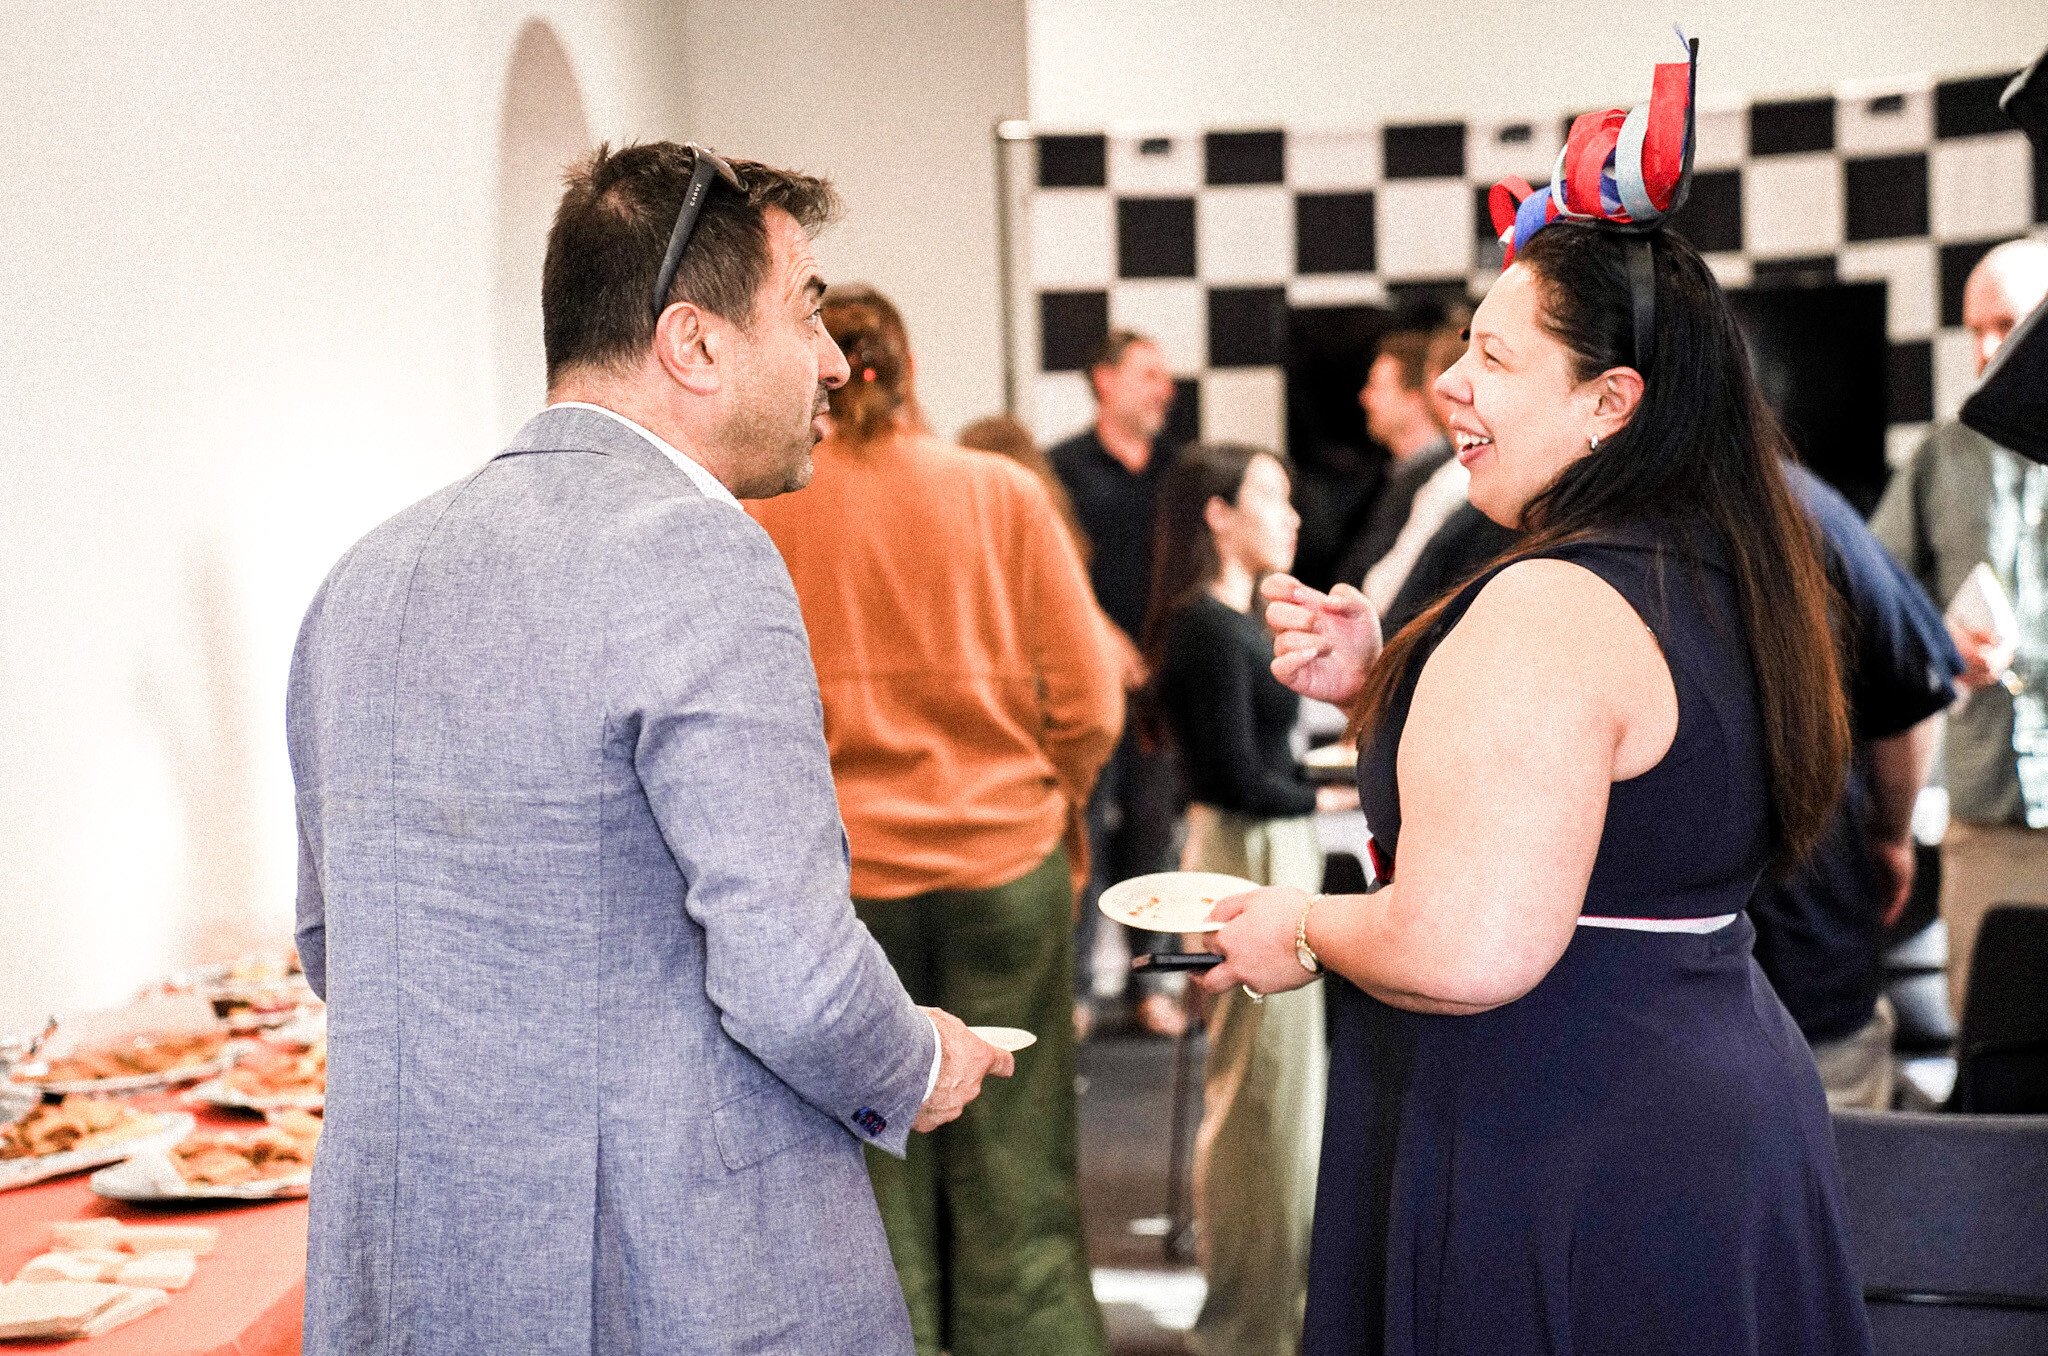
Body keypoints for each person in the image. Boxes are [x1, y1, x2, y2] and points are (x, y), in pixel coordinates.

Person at [1199, 46, 1875, 1352]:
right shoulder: (1726, 566)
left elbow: (1467, 948)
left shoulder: (1554, 602)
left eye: (1495, 359)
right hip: (1705, 1102)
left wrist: (1300, 925)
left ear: (1611, 403)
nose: (1451, 385)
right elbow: (1612, 795)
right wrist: (1382, 680)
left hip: (1572, 1128)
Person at [286, 143, 1011, 1356]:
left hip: (411, 1271)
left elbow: (334, 945)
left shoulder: (368, 572)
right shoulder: (695, 552)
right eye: (809, 310)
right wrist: (919, 1057)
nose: (835, 362)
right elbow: (795, 977)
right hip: (661, 1274)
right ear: (694, 343)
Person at [749, 285, 1122, 1356]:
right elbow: (1090, 701)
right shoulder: (998, 493)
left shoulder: (766, 511)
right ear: (909, 368)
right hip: (1003, 866)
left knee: (870, 1170)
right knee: (1019, 1166)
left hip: (846, 889)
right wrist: (1054, 800)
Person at [1144, 443, 1339, 1356]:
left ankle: (1273, 1314)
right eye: (1270, 494)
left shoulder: (1232, 622)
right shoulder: (1208, 628)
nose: (1289, 514)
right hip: (1249, 855)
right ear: (1217, 514)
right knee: (1261, 1097)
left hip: (1266, 848)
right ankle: (1251, 1325)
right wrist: (1335, 792)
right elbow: (1235, 778)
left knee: (1282, 1095)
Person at [1871, 237, 2048, 1021]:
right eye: (1973, 327)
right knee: (1988, 1039)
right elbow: (1871, 607)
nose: (1984, 348)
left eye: (2005, 324)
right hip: (1987, 811)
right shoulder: (1942, 458)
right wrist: (1940, 641)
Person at [1750, 465, 1959, 1109]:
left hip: (1614, 999)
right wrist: (1891, 834)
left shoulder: (1510, 519)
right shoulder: (1801, 507)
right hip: (1810, 953)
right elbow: (1914, 693)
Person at [1051, 330, 1187, 1037]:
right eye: (1147, 374)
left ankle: (1153, 987)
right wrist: (1104, 640)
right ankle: (1076, 990)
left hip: (1162, 690)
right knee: (1087, 839)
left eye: (1166, 377)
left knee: (1154, 841)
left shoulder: (1180, 471)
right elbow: (1055, 574)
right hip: (1088, 682)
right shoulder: (1062, 469)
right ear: (1104, 380)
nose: (1163, 388)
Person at [1356, 325, 1472, 613]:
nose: (1365, 398)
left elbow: (1386, 588)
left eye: (1377, 387)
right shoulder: (1431, 478)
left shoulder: (1451, 480)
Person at [1330, 330, 1453, 592]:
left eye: (1376, 386)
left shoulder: (1442, 483)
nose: (1364, 397)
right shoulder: (1394, 476)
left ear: (1416, 399)